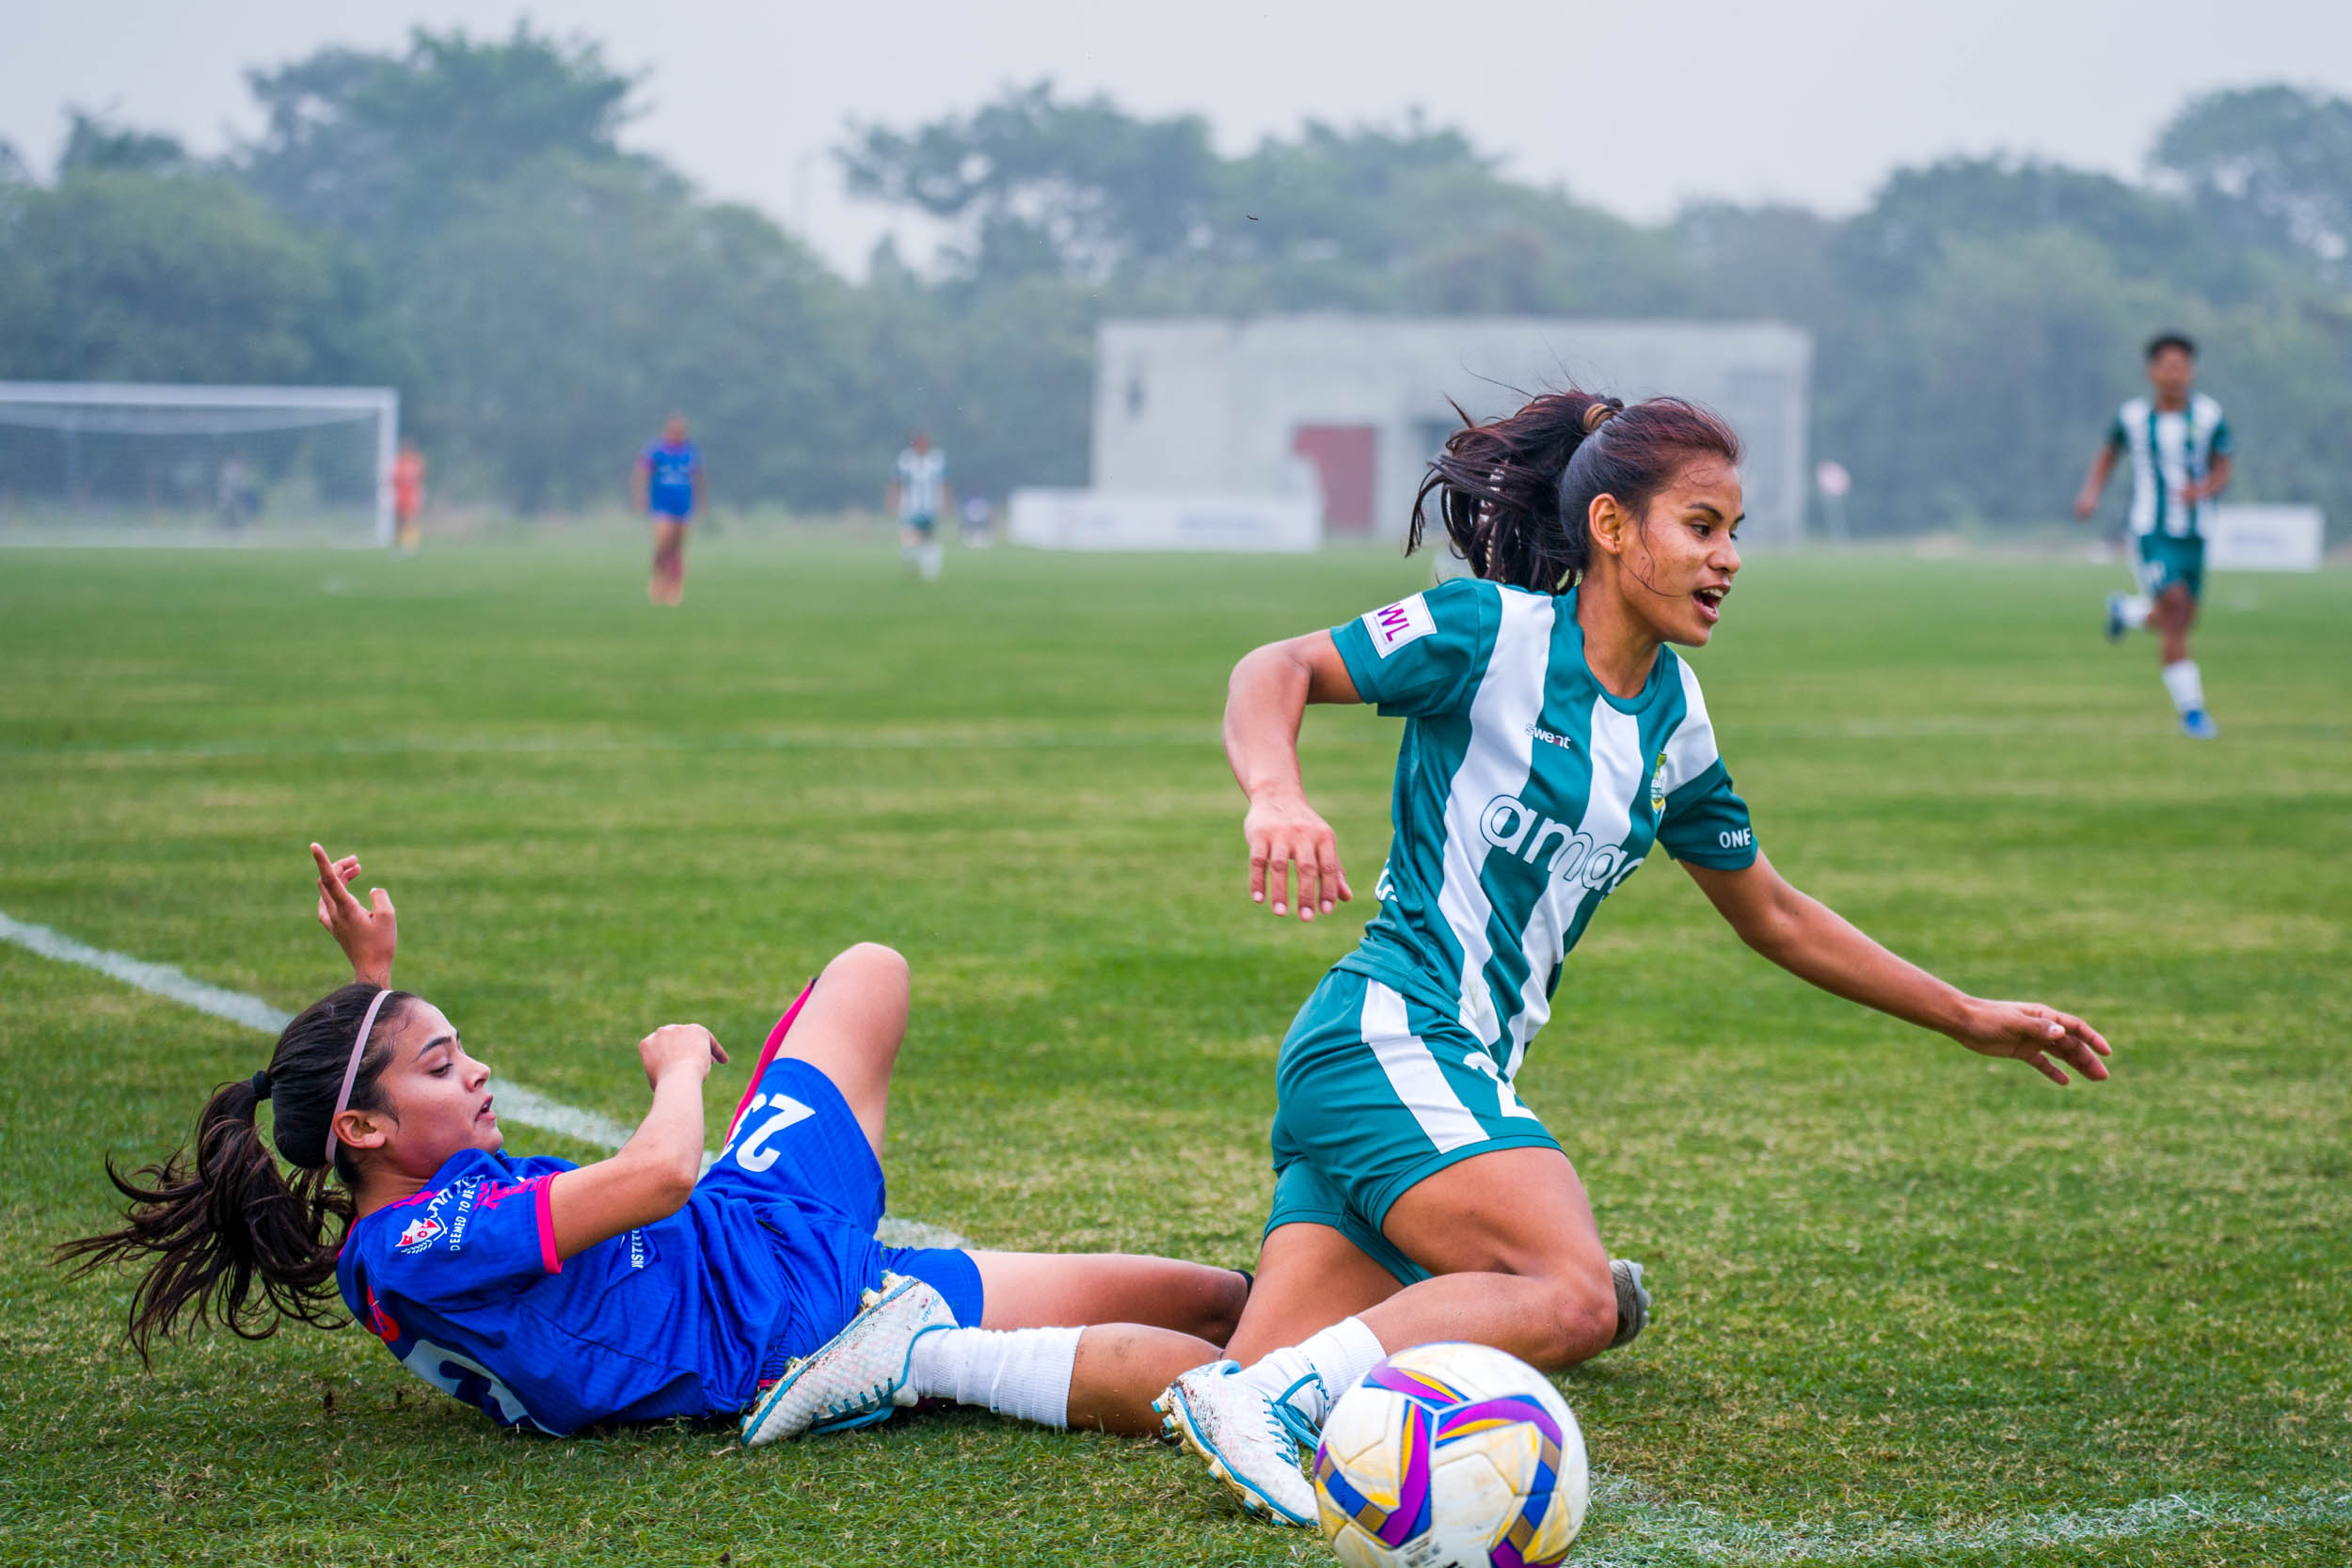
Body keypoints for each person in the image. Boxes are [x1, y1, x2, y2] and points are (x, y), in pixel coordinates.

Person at [1152, 390, 2114, 1526]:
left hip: (1442, 1072)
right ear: (1611, 527)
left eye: (1735, 531)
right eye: (1701, 526)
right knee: (1569, 1297)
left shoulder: (1674, 717)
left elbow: (1774, 912)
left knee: (1236, 1365)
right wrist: (1276, 794)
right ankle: (1275, 1395)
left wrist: (1966, 1014)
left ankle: (970, 1349)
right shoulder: (1488, 631)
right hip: (1389, 1035)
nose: (1729, 557)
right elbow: (1274, 666)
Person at [61, 844, 1252, 1444]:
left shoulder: (397, 1208)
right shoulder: (419, 1240)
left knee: (870, 971)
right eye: (441, 1063)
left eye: (459, 1049)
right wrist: (677, 1064)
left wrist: (373, 980)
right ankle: (1305, 1407)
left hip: (744, 1239)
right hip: (778, 1316)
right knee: (1200, 1320)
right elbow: (658, 1174)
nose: (475, 1070)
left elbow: (669, 1187)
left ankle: (1304, 1357)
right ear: (364, 1128)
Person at [2074, 333, 2234, 738]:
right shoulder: (2132, 418)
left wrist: (2204, 490)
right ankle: (2193, 713)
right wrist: (2091, 492)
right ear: (2152, 372)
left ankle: (2126, 611)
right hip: (2151, 531)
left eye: (2181, 367)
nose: (2174, 374)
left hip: (2195, 533)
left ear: (2191, 372)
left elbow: (2223, 469)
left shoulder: (2209, 416)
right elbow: (2108, 454)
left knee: (2181, 619)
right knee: (2175, 614)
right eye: (2167, 367)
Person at [633, 415, 701, 606]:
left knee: (677, 547)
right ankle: (658, 580)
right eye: (674, 431)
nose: (678, 435)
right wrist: (640, 496)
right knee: (663, 544)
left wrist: (699, 500)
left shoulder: (689, 452)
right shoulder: (655, 450)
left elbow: (697, 476)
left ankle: (674, 587)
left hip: (683, 505)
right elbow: (641, 473)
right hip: (661, 505)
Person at [889, 432, 950, 581]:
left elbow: (944, 484)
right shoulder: (905, 460)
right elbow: (896, 483)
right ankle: (910, 565)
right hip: (910, 507)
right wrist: (893, 502)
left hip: (930, 507)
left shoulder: (936, 459)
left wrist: (945, 504)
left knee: (929, 538)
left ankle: (930, 574)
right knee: (908, 537)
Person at [390, 438, 426, 554]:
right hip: (400, 495)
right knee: (399, 521)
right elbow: (394, 479)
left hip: (411, 496)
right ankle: (399, 544)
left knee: (410, 519)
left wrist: (420, 494)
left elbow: (420, 479)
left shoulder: (416, 461)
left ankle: (411, 545)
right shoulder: (399, 462)